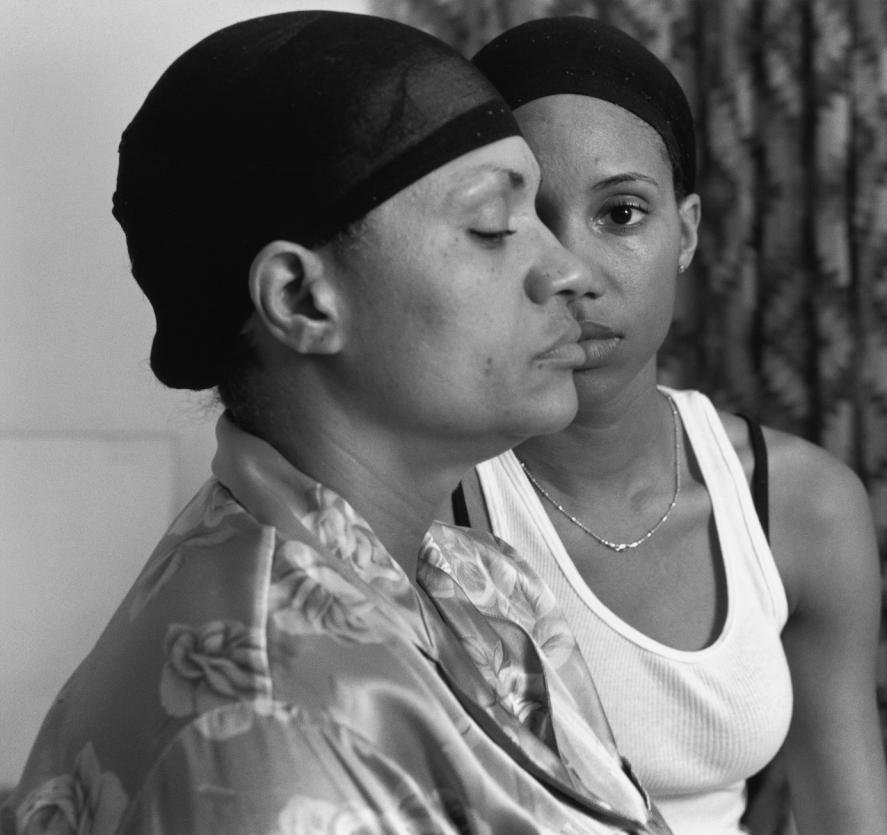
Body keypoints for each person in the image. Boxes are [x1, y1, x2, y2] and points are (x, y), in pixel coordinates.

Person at [0, 12, 671, 835]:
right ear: (301, 300)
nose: (567, 270)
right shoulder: (269, 726)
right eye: (493, 228)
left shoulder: (476, 580)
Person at [453, 16, 887, 834]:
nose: (571, 271)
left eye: (620, 213)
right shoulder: (424, 505)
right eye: (523, 221)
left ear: (686, 232)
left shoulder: (801, 506)